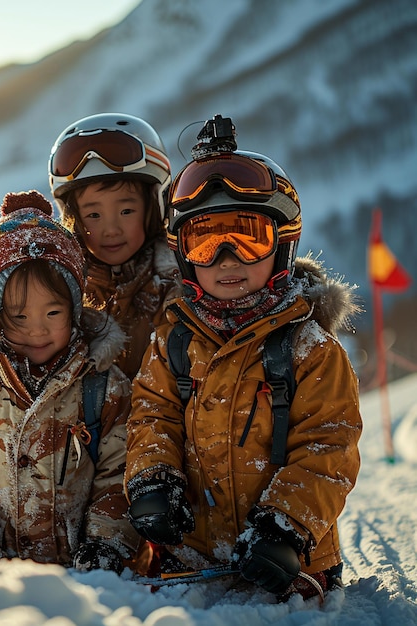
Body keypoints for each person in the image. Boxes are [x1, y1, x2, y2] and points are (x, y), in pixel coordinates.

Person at [123, 115, 363, 600]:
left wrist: (285, 527)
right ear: (185, 255)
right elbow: (153, 416)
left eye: (248, 238)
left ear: (283, 244)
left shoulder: (309, 348)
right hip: (192, 560)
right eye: (206, 242)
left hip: (289, 562)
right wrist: (154, 480)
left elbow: (328, 447)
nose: (226, 259)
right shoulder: (174, 341)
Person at [0, 190, 139, 573]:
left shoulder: (102, 387)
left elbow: (121, 474)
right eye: (19, 317)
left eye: (53, 312)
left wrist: (106, 543)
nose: (38, 330)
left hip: (84, 581)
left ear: (75, 308)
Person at [49, 113, 182, 381]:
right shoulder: (61, 293)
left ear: (155, 208)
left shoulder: (181, 288)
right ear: (72, 218)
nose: (111, 229)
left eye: (126, 211)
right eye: (94, 216)